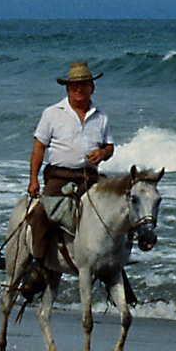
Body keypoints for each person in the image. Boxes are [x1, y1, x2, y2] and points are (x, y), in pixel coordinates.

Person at [25, 61, 115, 268]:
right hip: (59, 177)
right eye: (74, 85)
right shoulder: (52, 113)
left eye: (83, 84)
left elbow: (110, 147)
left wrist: (103, 153)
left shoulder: (101, 116)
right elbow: (39, 148)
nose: (78, 89)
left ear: (92, 88)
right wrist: (33, 181)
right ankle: (38, 266)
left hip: (90, 177)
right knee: (40, 215)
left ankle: (115, 263)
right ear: (67, 89)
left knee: (120, 207)